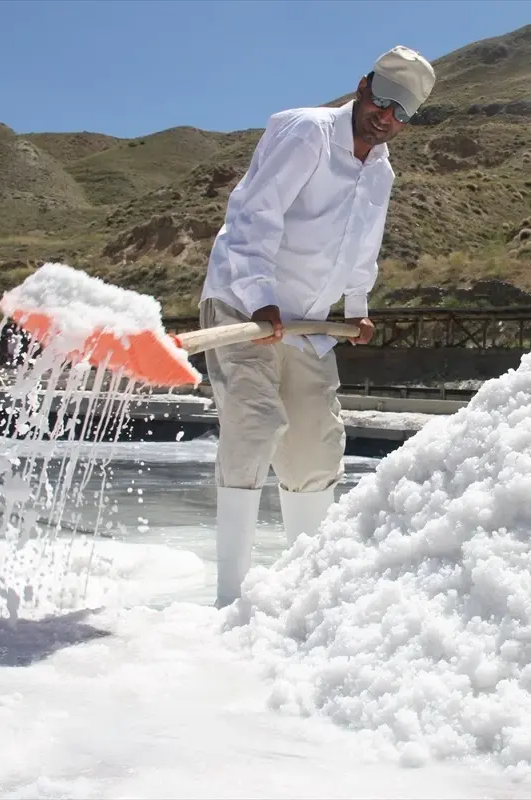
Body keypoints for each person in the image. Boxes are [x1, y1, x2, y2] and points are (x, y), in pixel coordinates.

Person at [198, 45, 436, 608]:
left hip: (307, 322)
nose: (386, 117)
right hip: (244, 304)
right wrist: (259, 298)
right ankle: (230, 597)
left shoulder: (380, 171)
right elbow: (255, 212)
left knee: (315, 447)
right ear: (362, 85)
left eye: (401, 112)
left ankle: (307, 596)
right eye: (382, 101)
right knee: (254, 425)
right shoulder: (307, 133)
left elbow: (361, 246)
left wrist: (355, 308)